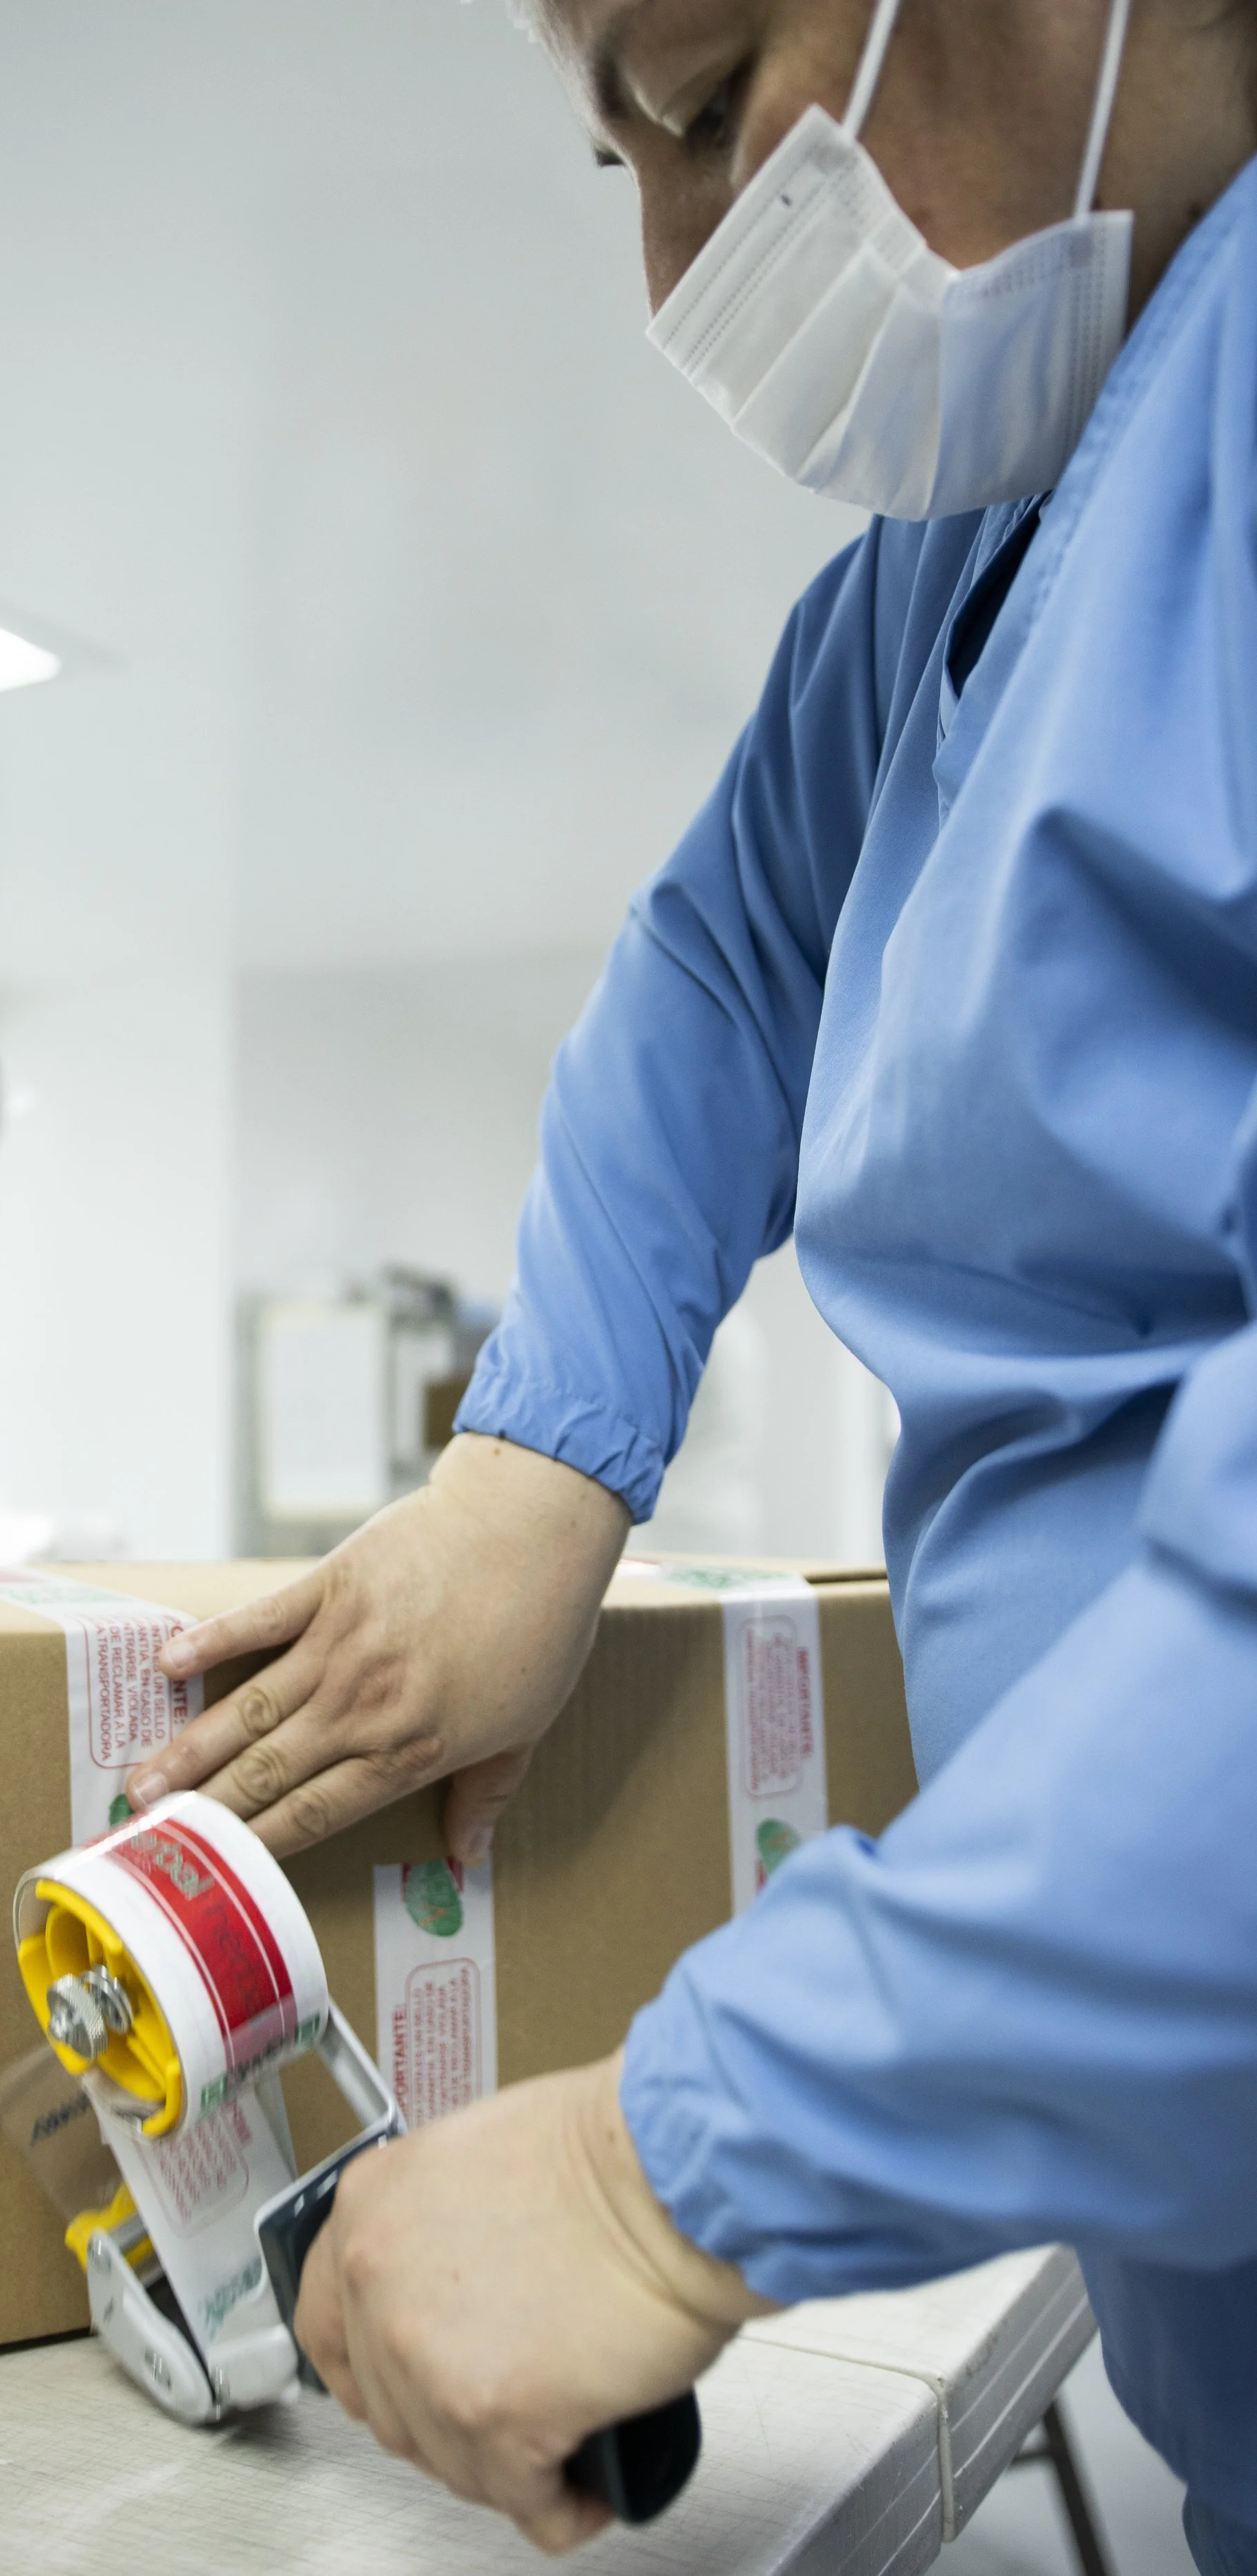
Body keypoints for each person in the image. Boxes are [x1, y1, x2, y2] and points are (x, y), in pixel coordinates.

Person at [134, 1, 1257, 2561]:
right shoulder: (952, 576)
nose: (671, 264)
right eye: (615, 160)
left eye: (707, 93)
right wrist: (536, 1465)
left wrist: (664, 2175)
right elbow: (730, 968)